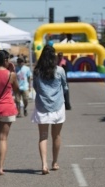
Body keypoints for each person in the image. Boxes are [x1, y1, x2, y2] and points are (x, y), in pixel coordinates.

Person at [31, 45, 68, 175]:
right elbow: (65, 87)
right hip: (58, 106)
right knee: (56, 135)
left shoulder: (36, 71)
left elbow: (35, 87)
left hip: (42, 106)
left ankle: (44, 164)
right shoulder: (60, 70)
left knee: (43, 136)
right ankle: (55, 162)